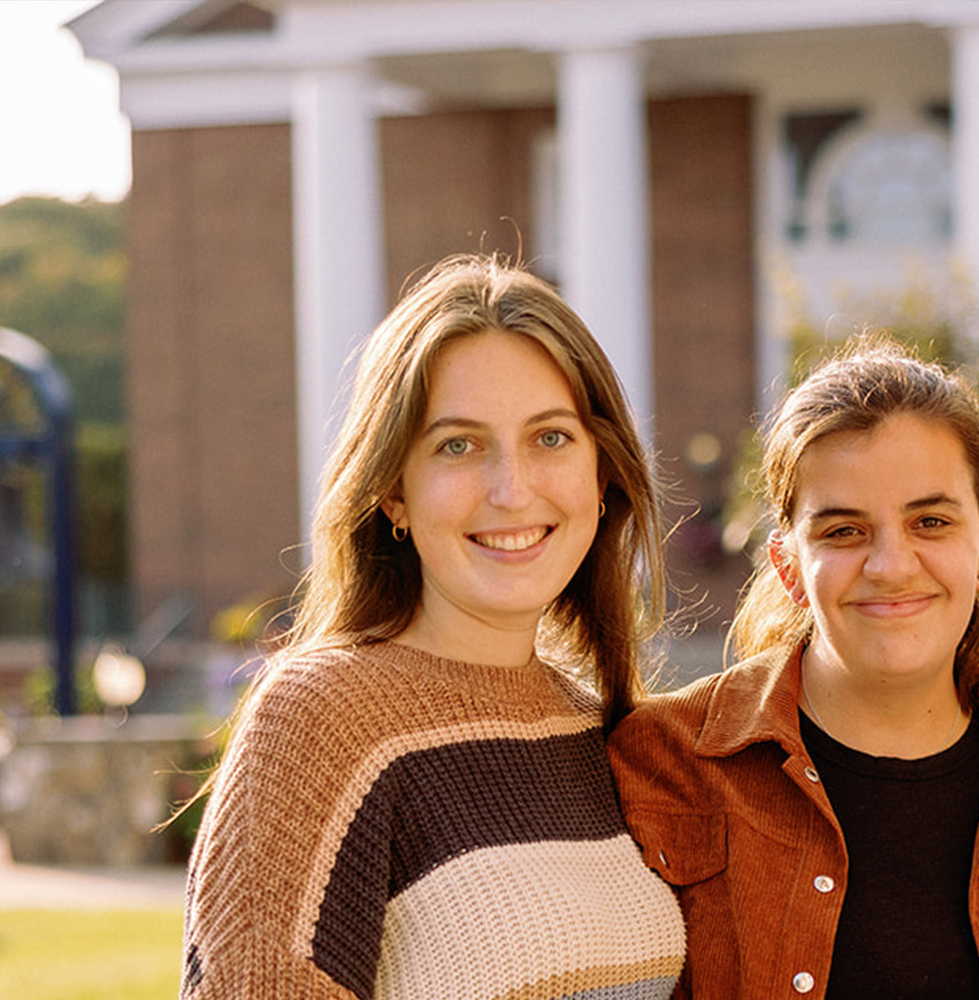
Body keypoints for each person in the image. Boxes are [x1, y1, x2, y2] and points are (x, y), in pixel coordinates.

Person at [178, 255, 686, 999]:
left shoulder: (595, 726)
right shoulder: (325, 718)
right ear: (393, 493)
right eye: (458, 445)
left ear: (602, 475)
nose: (512, 490)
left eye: (550, 438)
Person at [609, 339, 979, 999]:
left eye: (931, 521)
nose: (891, 565)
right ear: (787, 566)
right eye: (843, 531)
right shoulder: (662, 762)